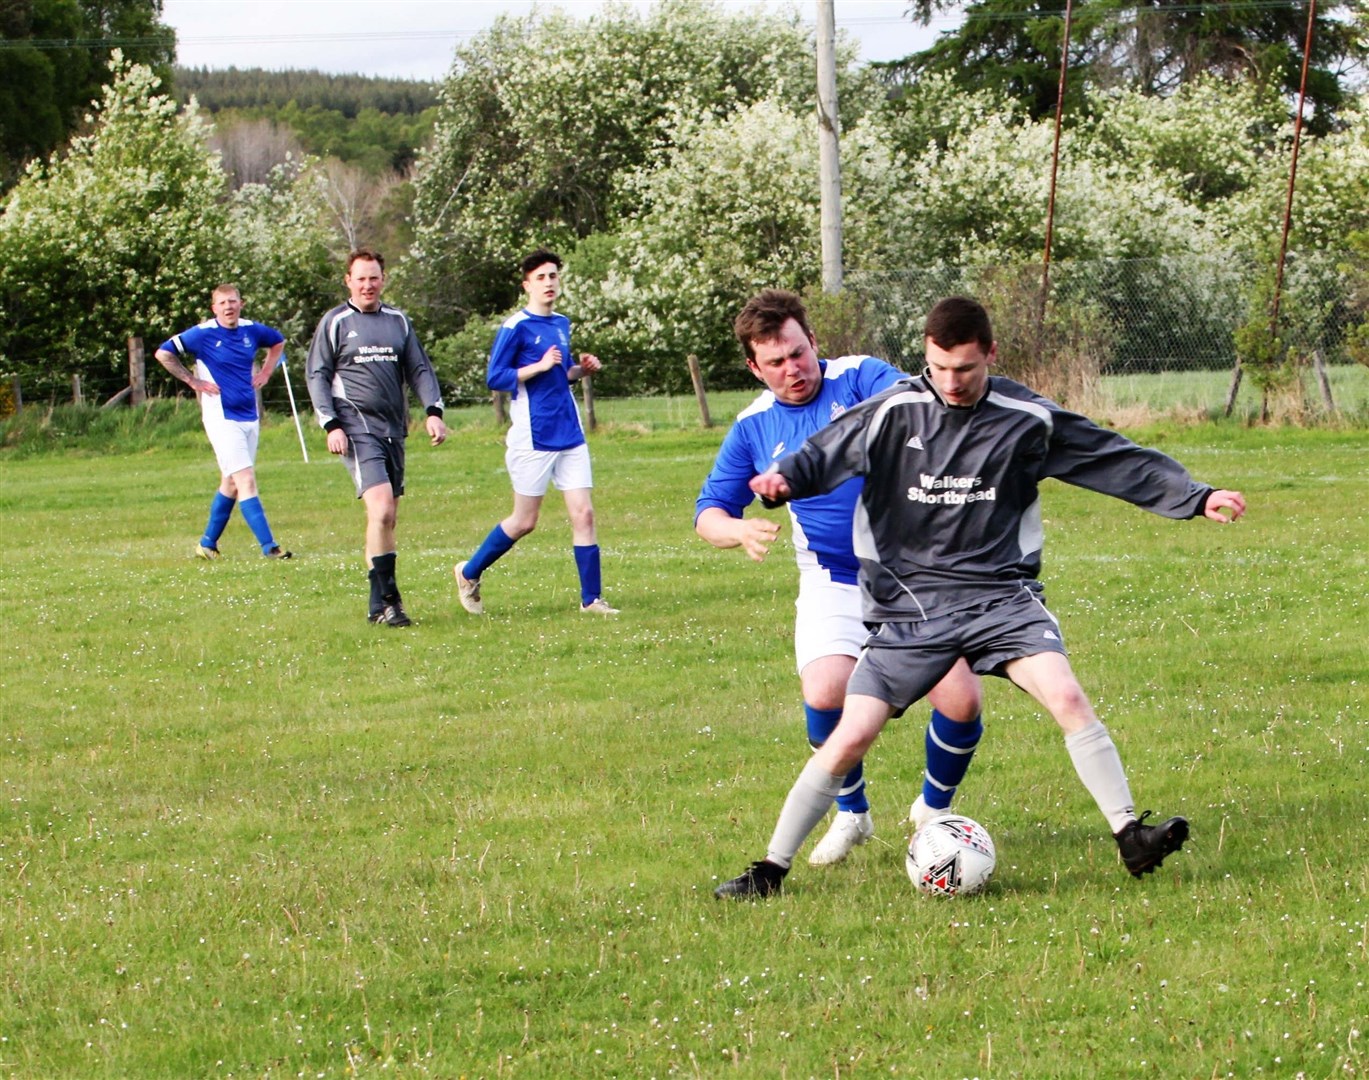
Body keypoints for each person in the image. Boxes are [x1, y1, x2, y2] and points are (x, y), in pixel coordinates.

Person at [714, 295, 1247, 898]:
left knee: (1066, 694)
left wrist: (1195, 496)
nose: (952, 383)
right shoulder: (894, 411)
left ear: (990, 354)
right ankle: (771, 870)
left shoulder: (1027, 418)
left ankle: (1131, 836)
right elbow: (825, 451)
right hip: (913, 606)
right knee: (852, 732)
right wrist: (787, 479)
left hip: (1002, 597)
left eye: (965, 369)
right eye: (939, 369)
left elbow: (1112, 457)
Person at [695, 289, 985, 868]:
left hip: (912, 572)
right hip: (830, 578)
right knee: (826, 694)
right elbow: (708, 513)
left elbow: (926, 408)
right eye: (775, 362)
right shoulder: (754, 427)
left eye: (798, 353)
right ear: (754, 367)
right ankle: (852, 813)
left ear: (813, 342)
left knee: (961, 700)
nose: (792, 370)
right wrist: (740, 532)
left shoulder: (858, 378)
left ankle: (933, 812)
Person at [454, 249, 617, 616]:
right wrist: (539, 365)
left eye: (553, 276)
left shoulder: (561, 323)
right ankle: (468, 572)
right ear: (527, 284)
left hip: (569, 432)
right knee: (525, 521)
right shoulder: (516, 327)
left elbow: (559, 375)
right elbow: (495, 377)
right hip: (533, 434)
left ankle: (591, 600)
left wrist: (580, 370)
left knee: (585, 514)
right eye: (541, 277)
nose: (549, 283)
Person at [305, 249, 447, 628]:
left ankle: (374, 604)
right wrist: (331, 424)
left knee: (386, 519)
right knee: (381, 510)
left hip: (392, 429)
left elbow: (419, 369)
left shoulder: (398, 321)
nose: (367, 285)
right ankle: (391, 601)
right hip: (355, 427)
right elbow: (317, 374)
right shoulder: (335, 322)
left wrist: (433, 412)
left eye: (374, 277)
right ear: (348, 280)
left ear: (383, 279)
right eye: (360, 278)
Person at [154, 284, 292, 561]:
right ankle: (270, 548)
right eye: (222, 303)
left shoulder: (251, 330)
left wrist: (266, 371)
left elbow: (278, 342)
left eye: (232, 301)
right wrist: (192, 381)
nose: (228, 307)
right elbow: (163, 353)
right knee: (246, 479)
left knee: (230, 482)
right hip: (221, 417)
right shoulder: (202, 334)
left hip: (249, 415)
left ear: (241, 303)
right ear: (213, 308)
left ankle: (207, 544)